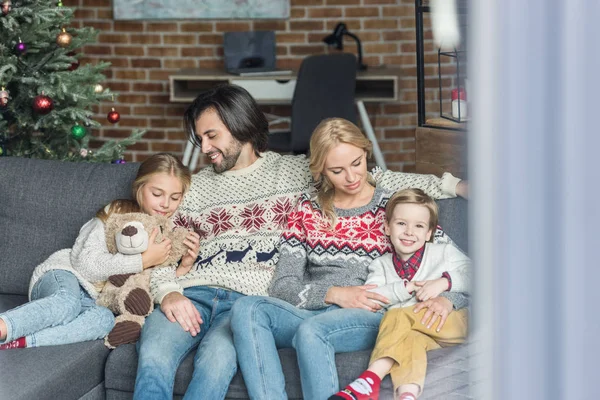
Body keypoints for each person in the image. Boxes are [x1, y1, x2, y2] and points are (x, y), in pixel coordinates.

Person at [230, 117, 469, 400]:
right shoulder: (307, 209)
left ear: (366, 153)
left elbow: (462, 269)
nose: (352, 177)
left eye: (357, 163)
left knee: (312, 331)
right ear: (321, 171)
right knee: (247, 309)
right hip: (315, 308)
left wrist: (449, 299)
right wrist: (334, 293)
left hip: (368, 314)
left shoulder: (394, 209)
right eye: (337, 170)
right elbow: (283, 286)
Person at [0, 153, 197, 350]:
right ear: (139, 188)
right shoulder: (116, 212)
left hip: (93, 299)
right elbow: (85, 265)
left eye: (174, 197)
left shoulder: (166, 233)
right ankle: (3, 326)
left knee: (103, 321)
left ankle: (20, 342)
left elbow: (154, 282)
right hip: (64, 275)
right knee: (67, 303)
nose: (165, 204)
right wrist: (142, 261)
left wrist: (184, 266)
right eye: (157, 194)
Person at [329, 188, 471, 400]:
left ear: (429, 233)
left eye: (419, 226)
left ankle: (368, 380)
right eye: (401, 223)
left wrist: (444, 283)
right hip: (423, 330)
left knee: (396, 315)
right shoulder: (380, 265)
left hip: (454, 323)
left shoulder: (443, 252)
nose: (409, 232)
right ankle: (407, 394)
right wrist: (407, 287)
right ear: (387, 227)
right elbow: (374, 297)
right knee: (410, 341)